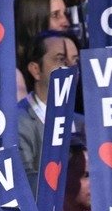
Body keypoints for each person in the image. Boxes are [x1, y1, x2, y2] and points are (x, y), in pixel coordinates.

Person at [16, 30, 81, 188]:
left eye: (75, 61)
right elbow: (23, 184)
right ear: (36, 70)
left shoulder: (83, 123)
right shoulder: (16, 121)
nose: (72, 69)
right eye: (61, 60)